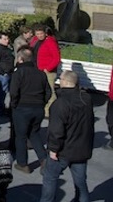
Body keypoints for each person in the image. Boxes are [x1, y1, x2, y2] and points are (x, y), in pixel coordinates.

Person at [40, 70, 93, 202]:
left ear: (65, 82)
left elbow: (56, 130)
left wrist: (53, 149)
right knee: (81, 182)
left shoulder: (60, 104)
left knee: (50, 179)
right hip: (81, 149)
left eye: (61, 79)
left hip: (63, 150)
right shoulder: (86, 99)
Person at [8, 47, 49, 173]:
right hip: (38, 108)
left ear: (20, 59)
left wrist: (14, 105)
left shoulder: (18, 73)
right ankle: (44, 159)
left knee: (21, 136)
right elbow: (48, 92)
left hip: (22, 107)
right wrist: (42, 103)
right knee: (34, 133)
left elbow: (14, 92)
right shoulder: (41, 73)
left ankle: (22, 163)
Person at [29, 25, 61, 115]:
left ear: (45, 33)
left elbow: (56, 58)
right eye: (37, 34)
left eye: (41, 34)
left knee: (50, 91)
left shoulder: (50, 42)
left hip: (48, 72)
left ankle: (48, 111)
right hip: (37, 70)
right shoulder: (35, 41)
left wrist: (48, 69)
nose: (39, 36)